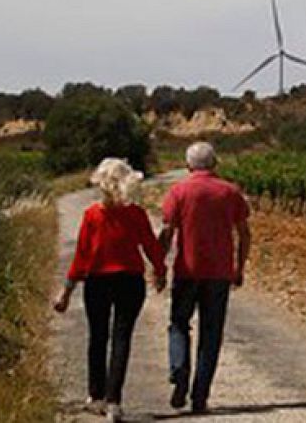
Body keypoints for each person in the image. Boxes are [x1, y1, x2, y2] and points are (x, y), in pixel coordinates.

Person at [53, 158, 167, 423]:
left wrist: (67, 291)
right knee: (121, 338)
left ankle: (96, 396)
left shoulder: (92, 215)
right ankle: (114, 402)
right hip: (130, 280)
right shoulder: (136, 213)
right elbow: (151, 246)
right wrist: (160, 271)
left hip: (98, 280)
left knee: (98, 336)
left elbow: (81, 257)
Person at [159, 141, 251, 414]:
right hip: (219, 273)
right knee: (211, 334)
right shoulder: (230, 192)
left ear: (188, 165)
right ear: (215, 163)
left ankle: (179, 370)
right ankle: (200, 396)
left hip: (187, 270)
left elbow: (167, 232)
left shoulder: (178, 191)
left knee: (178, 324)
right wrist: (239, 267)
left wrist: (159, 266)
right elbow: (244, 233)